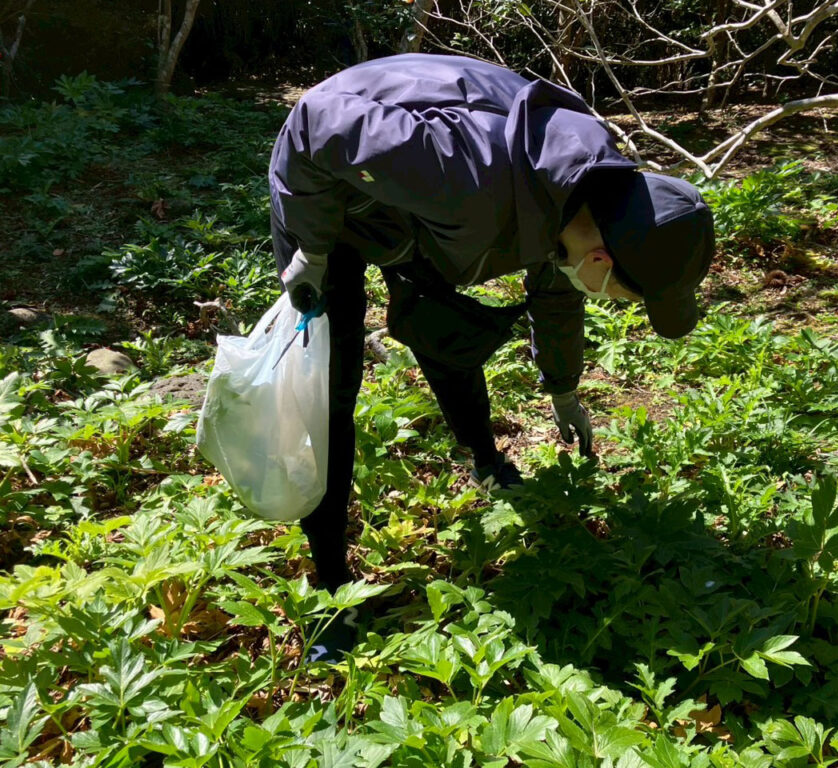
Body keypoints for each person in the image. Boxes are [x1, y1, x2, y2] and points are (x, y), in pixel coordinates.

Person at [269, 53, 714, 660]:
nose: (613, 302)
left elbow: (556, 301)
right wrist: (312, 251)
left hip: (411, 207)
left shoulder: (583, 200)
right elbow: (320, 121)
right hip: (326, 188)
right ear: (602, 262)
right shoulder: (468, 178)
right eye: (624, 297)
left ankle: (487, 460)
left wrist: (563, 389)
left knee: (444, 329)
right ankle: (331, 590)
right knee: (332, 385)